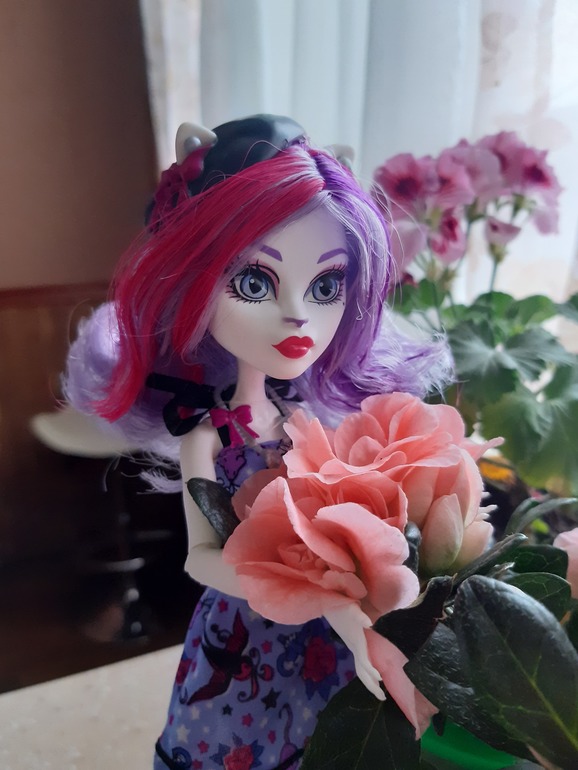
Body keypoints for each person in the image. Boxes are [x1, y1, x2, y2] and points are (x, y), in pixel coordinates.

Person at [65, 114, 450, 770]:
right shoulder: (208, 437)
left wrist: (356, 595)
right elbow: (199, 559)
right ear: (191, 288)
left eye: (326, 286)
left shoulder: (311, 423)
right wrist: (310, 590)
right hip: (241, 644)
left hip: (322, 639)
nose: (298, 315)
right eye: (253, 283)